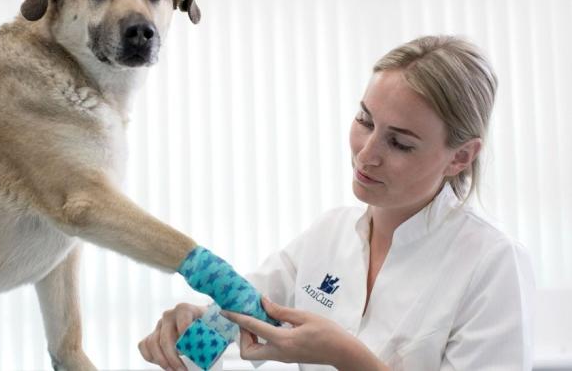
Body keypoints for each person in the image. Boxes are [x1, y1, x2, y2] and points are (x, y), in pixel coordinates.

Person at [137, 35, 534, 371]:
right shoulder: (329, 235)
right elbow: (242, 312)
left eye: (399, 143)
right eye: (365, 121)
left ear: (460, 157)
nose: (366, 155)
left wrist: (349, 358)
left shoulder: (492, 264)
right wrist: (190, 324)